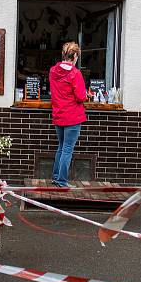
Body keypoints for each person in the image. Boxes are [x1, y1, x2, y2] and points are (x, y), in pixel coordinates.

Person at [49, 41, 87, 188]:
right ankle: (61, 181)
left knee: (61, 147)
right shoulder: (75, 74)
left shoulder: (53, 71)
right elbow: (80, 97)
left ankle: (56, 176)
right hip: (72, 117)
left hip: (58, 114)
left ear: (63, 55)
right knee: (67, 149)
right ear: (75, 55)